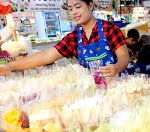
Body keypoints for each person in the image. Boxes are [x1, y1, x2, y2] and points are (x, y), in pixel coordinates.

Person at [0, 0, 129, 77]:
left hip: (117, 86)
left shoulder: (109, 29)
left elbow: (124, 57)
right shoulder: (73, 38)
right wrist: (12, 66)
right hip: (92, 90)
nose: (74, 12)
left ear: (90, 6)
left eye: (78, 7)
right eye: (70, 9)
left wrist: (116, 67)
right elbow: (46, 55)